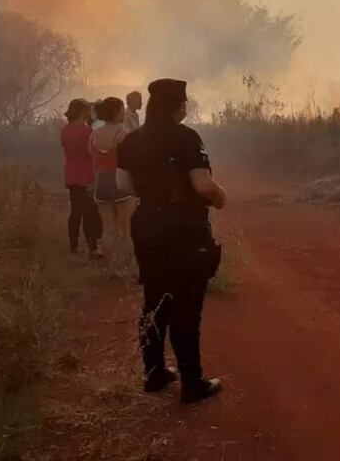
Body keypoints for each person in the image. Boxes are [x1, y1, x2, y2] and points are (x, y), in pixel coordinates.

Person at [116, 78, 227, 404]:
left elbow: (124, 185)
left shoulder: (132, 140)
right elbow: (203, 185)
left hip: (147, 222)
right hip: (184, 228)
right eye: (185, 102)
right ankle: (192, 384)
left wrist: (154, 196)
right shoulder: (187, 137)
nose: (186, 106)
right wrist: (220, 196)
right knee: (186, 305)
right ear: (178, 105)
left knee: (155, 299)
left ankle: (154, 373)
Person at [60, 98, 103, 258]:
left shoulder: (65, 130)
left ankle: (74, 245)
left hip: (71, 174)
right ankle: (92, 245)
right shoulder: (87, 132)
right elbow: (93, 153)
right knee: (90, 211)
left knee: (76, 211)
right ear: (82, 112)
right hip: (86, 175)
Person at [91, 97, 135, 245]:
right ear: (116, 112)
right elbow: (130, 160)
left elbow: (92, 156)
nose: (124, 112)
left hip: (101, 180)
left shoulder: (95, 134)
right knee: (125, 227)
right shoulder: (123, 134)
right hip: (119, 180)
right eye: (122, 109)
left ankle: (108, 261)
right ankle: (122, 262)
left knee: (107, 228)